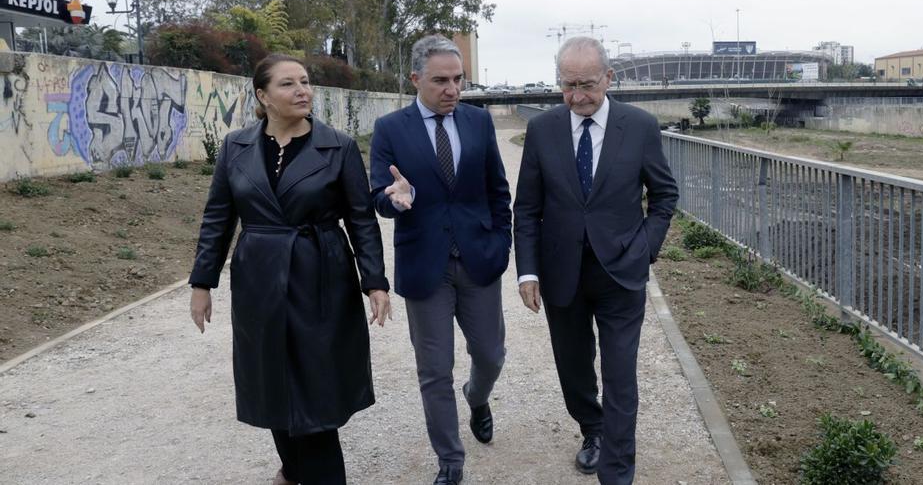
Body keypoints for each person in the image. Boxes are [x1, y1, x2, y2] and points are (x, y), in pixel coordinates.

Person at [188, 54, 392, 485]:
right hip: (258, 278)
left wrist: (374, 282)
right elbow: (218, 217)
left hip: (320, 274)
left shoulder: (337, 145)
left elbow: (360, 219)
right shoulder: (235, 146)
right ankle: (294, 469)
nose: (302, 90)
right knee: (271, 380)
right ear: (263, 96)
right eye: (288, 84)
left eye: (305, 81)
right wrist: (202, 283)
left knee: (317, 389)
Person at [514, 36, 679, 485]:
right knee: (573, 366)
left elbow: (664, 196)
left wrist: (644, 250)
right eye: (568, 85)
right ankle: (592, 429)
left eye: (587, 83)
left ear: (609, 77)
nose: (578, 96)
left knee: (620, 374)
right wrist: (527, 271)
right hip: (560, 271)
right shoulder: (544, 129)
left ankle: (617, 470)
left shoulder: (640, 126)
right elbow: (527, 207)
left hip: (621, 271)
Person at [368, 35, 512, 485]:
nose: (452, 89)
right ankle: (450, 461)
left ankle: (477, 397)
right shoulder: (390, 129)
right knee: (434, 371)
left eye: (458, 79)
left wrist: (501, 244)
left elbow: (497, 190)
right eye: (441, 81)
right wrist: (394, 200)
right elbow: (379, 195)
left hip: (479, 261)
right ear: (415, 79)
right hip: (424, 266)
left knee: (490, 355)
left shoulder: (478, 123)